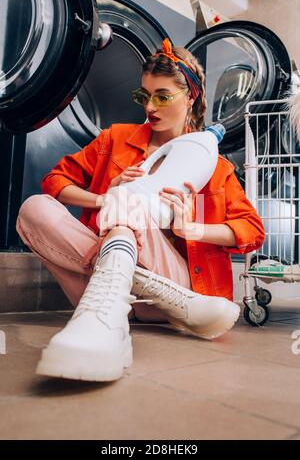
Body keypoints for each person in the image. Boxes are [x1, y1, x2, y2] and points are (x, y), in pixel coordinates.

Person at [16, 38, 265, 382]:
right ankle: (134, 308)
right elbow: (56, 181)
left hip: (166, 290)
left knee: (128, 204)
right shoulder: (115, 139)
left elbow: (252, 230)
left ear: (190, 96)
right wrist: (105, 196)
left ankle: (108, 322)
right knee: (33, 209)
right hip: (124, 296)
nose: (150, 106)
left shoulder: (214, 164)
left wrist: (193, 229)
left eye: (162, 96)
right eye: (143, 95)